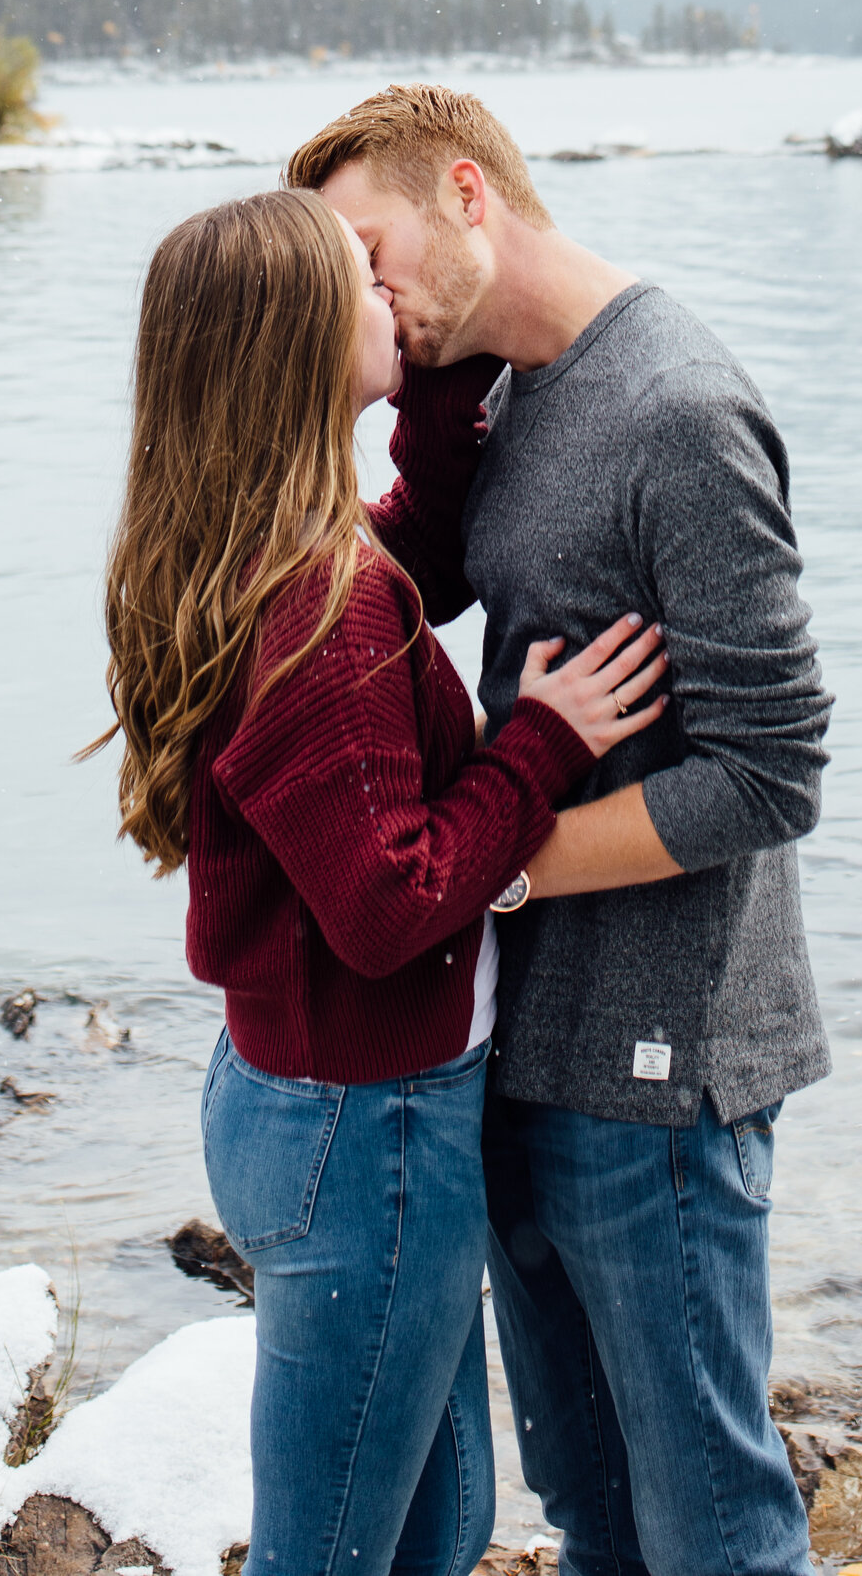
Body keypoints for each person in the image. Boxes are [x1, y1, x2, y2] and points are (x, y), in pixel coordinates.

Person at [289, 85, 833, 1576]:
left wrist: (495, 864)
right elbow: (394, 581)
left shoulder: (679, 410)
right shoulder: (498, 395)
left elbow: (773, 771)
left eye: (371, 248)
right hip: (518, 1047)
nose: (368, 292)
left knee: (712, 1526)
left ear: (469, 192)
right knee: (590, 1513)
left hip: (662, 1071)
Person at [93, 186, 670, 1576]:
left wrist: (450, 371)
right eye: (363, 279)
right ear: (298, 342)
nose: (389, 293)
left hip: (314, 1108)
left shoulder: (270, 549)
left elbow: (420, 539)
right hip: (372, 1137)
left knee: (438, 1529)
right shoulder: (320, 604)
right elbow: (392, 901)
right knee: (341, 1556)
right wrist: (540, 743)